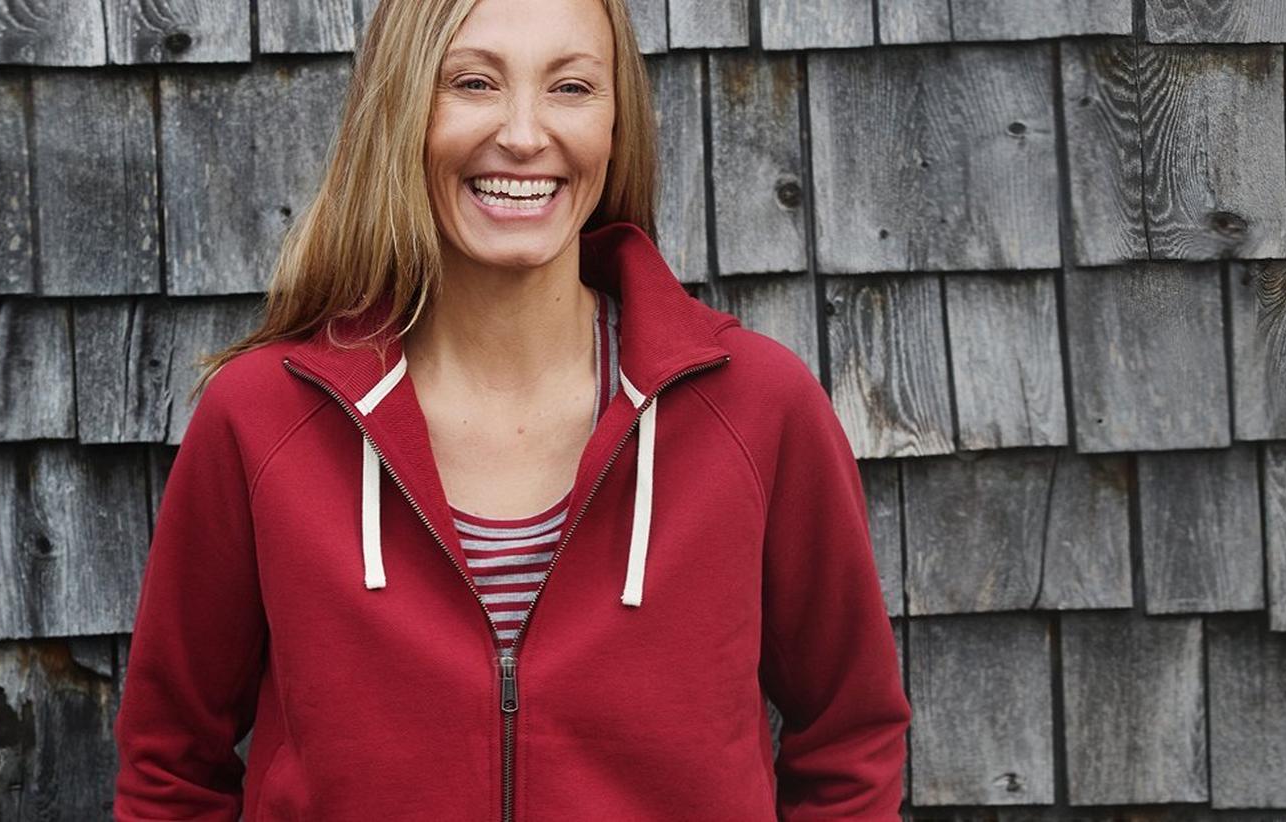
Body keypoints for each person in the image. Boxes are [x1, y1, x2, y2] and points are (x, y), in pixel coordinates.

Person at [110, 0, 911, 818]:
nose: (525, 135)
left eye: (570, 87)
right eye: (473, 82)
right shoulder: (260, 419)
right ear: (403, 108)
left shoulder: (757, 409)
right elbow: (170, 768)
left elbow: (852, 738)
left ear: (615, 122)